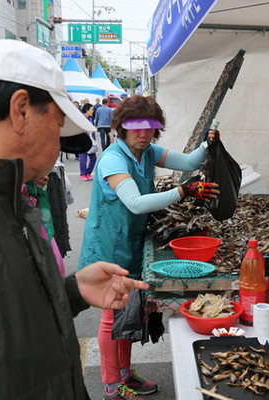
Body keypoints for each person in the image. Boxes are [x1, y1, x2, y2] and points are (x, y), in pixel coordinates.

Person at [0, 39, 149, 399]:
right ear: (21, 110)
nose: (58, 147)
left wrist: (71, 291)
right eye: (56, 126)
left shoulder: (8, 193)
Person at [78, 95, 219, 400]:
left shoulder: (148, 152)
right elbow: (136, 203)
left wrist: (208, 144)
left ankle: (125, 374)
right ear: (121, 127)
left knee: (127, 311)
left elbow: (191, 161)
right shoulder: (114, 159)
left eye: (150, 127)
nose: (143, 133)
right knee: (111, 315)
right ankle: (112, 386)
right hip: (108, 246)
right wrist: (183, 190)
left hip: (131, 241)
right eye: (136, 127)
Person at [79, 102, 97, 181]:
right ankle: (83, 174)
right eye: (91, 110)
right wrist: (87, 132)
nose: (92, 111)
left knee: (93, 158)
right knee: (83, 159)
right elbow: (78, 128)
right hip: (82, 141)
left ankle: (88, 173)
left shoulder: (90, 119)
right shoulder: (81, 118)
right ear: (86, 110)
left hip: (90, 141)